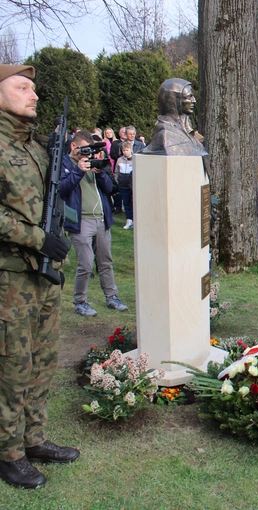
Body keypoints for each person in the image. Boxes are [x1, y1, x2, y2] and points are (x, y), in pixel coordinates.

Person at [0, 64, 80, 489]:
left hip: (43, 276)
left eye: (34, 88)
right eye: (21, 87)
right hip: (9, 278)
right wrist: (35, 238)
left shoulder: (35, 147)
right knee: (12, 365)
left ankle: (33, 439)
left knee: (43, 361)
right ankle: (8, 453)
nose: (33, 94)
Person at [60, 130, 129, 317]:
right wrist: (78, 171)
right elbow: (62, 189)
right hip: (81, 221)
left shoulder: (92, 163)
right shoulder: (64, 164)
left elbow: (109, 188)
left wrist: (98, 172)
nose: (87, 153)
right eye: (84, 149)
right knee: (86, 264)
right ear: (74, 146)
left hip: (101, 219)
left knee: (106, 261)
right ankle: (80, 302)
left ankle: (112, 297)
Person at [115, 143, 135, 229]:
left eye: (127, 150)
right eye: (123, 150)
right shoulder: (119, 160)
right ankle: (129, 220)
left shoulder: (135, 159)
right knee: (126, 203)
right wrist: (117, 180)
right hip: (123, 184)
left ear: (131, 149)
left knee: (134, 203)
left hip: (133, 185)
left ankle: (135, 220)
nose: (125, 152)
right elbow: (116, 172)